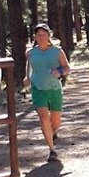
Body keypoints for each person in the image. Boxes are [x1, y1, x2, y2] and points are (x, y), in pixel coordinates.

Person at [22, 22, 70, 164]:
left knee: (55, 121)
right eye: (38, 35)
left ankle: (52, 133)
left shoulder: (57, 51)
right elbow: (29, 66)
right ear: (35, 37)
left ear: (49, 35)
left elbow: (67, 67)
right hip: (38, 88)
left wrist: (59, 72)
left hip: (54, 89)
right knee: (43, 118)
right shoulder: (30, 52)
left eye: (43, 34)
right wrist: (27, 77)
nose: (41, 37)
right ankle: (52, 150)